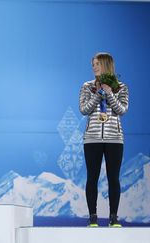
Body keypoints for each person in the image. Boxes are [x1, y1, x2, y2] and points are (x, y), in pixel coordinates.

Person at [79, 52, 129, 227]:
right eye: (93, 64)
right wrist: (97, 94)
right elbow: (84, 109)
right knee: (92, 177)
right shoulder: (87, 86)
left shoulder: (121, 87)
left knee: (113, 178)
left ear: (106, 65)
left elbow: (122, 110)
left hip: (114, 138)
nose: (94, 67)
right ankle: (93, 216)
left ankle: (113, 217)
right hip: (92, 138)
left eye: (97, 64)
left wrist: (110, 93)